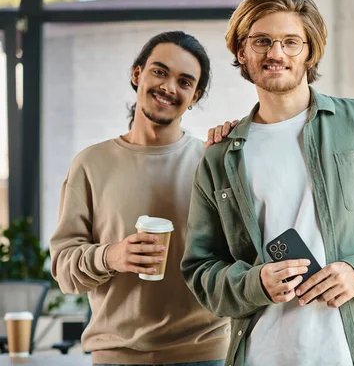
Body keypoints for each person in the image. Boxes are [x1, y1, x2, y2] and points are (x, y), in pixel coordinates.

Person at [180, 0, 354, 366]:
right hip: (263, 353)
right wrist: (255, 283)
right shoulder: (220, 156)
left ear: (309, 51)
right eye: (262, 41)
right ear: (242, 51)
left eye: (291, 42)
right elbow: (200, 268)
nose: (275, 53)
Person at [50, 31, 229, 366]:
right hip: (117, 356)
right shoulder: (90, 164)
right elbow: (63, 270)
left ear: (195, 95)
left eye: (184, 81)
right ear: (137, 74)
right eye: (159, 72)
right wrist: (110, 256)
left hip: (204, 353)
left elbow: (241, 254)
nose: (169, 87)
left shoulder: (211, 163)